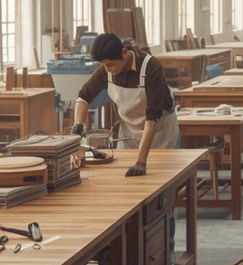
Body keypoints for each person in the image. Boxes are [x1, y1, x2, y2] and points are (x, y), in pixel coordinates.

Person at [73, 33, 180, 177]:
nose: (106, 70)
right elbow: (84, 96)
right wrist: (78, 123)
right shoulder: (107, 69)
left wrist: (141, 162)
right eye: (102, 66)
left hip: (160, 135)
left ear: (124, 53)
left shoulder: (151, 68)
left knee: (162, 182)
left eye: (109, 65)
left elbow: (151, 119)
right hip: (129, 135)